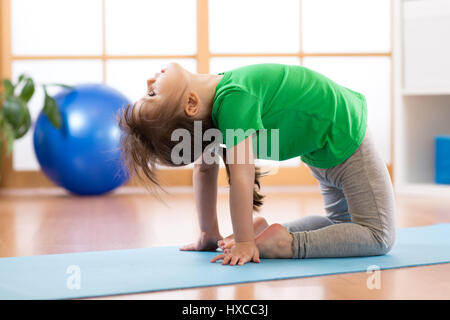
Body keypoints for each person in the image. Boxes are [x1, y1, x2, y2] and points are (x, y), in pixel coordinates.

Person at [117, 62, 396, 266]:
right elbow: (239, 175)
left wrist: (210, 233)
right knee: (378, 236)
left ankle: (263, 232)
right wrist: (243, 243)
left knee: (342, 225)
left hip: (324, 146)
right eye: (151, 95)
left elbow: (205, 169)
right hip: (344, 137)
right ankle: (286, 243)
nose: (149, 83)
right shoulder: (231, 99)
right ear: (191, 104)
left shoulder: (222, 101)